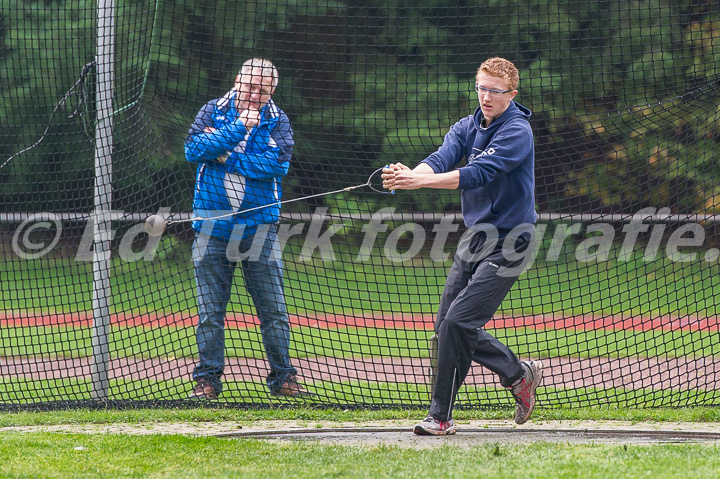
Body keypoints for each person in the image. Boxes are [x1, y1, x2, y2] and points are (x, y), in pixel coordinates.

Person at [382, 57, 543, 435]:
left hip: (512, 241)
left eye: (495, 91)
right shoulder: (466, 126)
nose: (486, 96)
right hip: (476, 239)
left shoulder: (517, 131)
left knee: (458, 322)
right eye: (481, 88)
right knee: (446, 327)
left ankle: (440, 417)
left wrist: (419, 183)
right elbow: (439, 159)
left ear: (511, 94)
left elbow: (476, 174)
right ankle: (519, 375)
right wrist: (409, 175)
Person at [184, 58, 309, 399]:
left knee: (274, 311)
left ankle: (283, 378)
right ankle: (207, 380)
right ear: (238, 79)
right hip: (211, 227)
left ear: (272, 91)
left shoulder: (277, 120)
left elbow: (276, 165)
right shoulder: (212, 110)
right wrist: (238, 129)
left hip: (259, 229)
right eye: (250, 86)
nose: (255, 95)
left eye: (263, 90)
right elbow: (193, 150)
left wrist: (223, 153)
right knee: (210, 312)